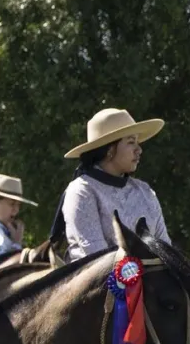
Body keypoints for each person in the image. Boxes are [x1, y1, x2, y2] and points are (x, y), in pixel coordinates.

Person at [53, 108, 169, 262]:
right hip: (99, 284)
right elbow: (99, 259)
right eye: (130, 142)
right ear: (109, 150)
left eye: (137, 142)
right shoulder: (82, 191)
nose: (139, 150)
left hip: (151, 282)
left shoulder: (144, 191)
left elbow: (166, 248)